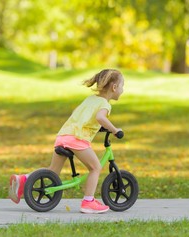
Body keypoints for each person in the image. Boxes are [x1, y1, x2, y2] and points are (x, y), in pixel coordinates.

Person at [9, 69, 124, 214]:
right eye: (122, 86)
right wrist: (114, 130)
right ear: (114, 88)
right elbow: (101, 118)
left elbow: (78, 113)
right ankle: (88, 202)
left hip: (63, 136)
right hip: (77, 139)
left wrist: (96, 126)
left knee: (52, 172)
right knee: (95, 167)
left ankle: (24, 179)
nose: (122, 90)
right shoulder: (105, 105)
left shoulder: (90, 99)